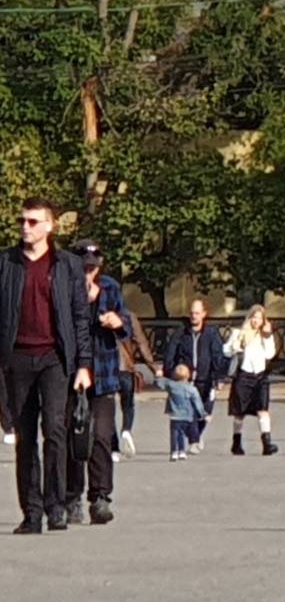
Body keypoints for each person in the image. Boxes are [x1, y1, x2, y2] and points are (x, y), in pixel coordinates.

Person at [2, 198, 94, 535]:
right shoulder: (6, 264)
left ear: (49, 226)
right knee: (25, 436)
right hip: (17, 358)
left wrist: (84, 365)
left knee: (55, 430)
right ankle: (32, 512)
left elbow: (80, 319)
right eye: (22, 220)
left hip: (55, 359)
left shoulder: (67, 265)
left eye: (33, 221)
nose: (26, 227)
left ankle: (57, 507)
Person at [73, 241, 129, 524]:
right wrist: (87, 302)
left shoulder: (110, 287)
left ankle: (100, 497)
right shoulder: (65, 285)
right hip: (72, 373)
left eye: (93, 266)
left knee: (102, 437)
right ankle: (71, 497)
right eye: (85, 266)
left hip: (104, 374)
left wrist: (117, 322)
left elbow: (126, 325)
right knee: (72, 436)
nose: (89, 272)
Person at [162, 299, 225, 455]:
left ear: (204, 314)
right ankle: (194, 440)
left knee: (205, 412)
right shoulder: (181, 333)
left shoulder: (211, 333)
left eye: (197, 313)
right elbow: (171, 353)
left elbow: (218, 355)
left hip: (207, 380)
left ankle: (196, 435)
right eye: (191, 313)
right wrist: (169, 373)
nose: (194, 316)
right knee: (189, 413)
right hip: (186, 382)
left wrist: (220, 377)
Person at [223, 304, 277, 456]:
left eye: (260, 318)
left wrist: (267, 336)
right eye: (254, 317)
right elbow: (226, 350)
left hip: (260, 376)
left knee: (263, 410)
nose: (256, 321)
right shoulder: (239, 333)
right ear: (249, 317)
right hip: (243, 375)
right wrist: (236, 346)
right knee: (239, 412)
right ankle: (236, 443)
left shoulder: (265, 335)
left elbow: (270, 355)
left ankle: (267, 443)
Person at [115, 301, 159, 458]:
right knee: (128, 405)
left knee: (105, 409)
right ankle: (126, 431)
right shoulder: (129, 317)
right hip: (125, 368)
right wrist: (154, 368)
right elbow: (141, 343)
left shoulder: (99, 314)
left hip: (105, 369)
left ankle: (114, 449)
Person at [160, 364, 209, 462]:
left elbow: (160, 383)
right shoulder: (192, 389)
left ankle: (174, 452)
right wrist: (203, 414)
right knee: (182, 434)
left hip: (175, 416)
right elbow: (197, 402)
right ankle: (182, 451)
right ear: (188, 375)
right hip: (187, 416)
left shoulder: (171, 385)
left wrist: (158, 376)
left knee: (174, 435)